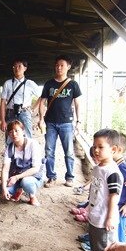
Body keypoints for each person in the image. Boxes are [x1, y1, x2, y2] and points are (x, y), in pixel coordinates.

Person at [80, 129, 123, 251]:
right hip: (95, 216)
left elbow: (114, 197)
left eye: (100, 147)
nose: (96, 150)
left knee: (106, 247)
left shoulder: (113, 173)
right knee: (97, 245)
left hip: (105, 219)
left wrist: (111, 217)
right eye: (94, 146)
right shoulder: (99, 167)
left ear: (113, 149)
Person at [38, 55, 82, 187]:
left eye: (62, 65)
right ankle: (51, 177)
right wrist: (41, 119)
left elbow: (78, 103)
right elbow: (42, 102)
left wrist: (78, 121)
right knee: (49, 151)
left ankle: (70, 177)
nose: (59, 67)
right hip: (50, 122)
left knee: (68, 151)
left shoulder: (73, 84)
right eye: (57, 65)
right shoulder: (49, 84)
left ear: (68, 66)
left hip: (66, 123)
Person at [1, 120, 45, 207]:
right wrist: (4, 189)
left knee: (26, 182)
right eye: (11, 132)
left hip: (33, 176)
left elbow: (36, 168)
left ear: (23, 131)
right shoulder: (9, 149)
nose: (14, 134)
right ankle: (18, 189)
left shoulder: (33, 144)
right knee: (4, 189)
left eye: (17, 130)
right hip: (16, 176)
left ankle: (32, 196)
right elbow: (5, 170)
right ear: (9, 135)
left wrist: (17, 177)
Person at [0, 57, 41, 139]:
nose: (16, 68)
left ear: (25, 68)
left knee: (27, 137)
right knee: (10, 138)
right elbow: (3, 102)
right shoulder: (7, 83)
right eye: (14, 66)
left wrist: (33, 108)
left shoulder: (30, 83)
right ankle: (11, 152)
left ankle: (27, 151)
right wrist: (3, 120)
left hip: (25, 112)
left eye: (19, 66)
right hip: (10, 113)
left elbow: (42, 96)